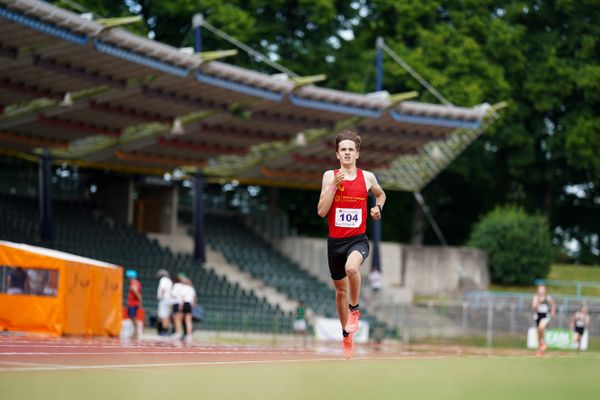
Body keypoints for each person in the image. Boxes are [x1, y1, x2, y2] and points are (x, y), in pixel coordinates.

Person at [316, 129, 386, 358]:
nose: (347, 153)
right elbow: (321, 211)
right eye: (343, 150)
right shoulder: (329, 175)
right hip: (335, 242)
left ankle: (354, 309)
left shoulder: (368, 177)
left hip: (358, 239)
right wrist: (333, 186)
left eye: (350, 150)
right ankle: (346, 334)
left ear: (357, 153)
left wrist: (377, 208)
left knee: (352, 268)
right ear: (337, 154)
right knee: (339, 292)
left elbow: (381, 195)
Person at [171, 273, 197, 343]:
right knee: (188, 320)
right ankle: (189, 335)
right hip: (189, 304)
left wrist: (181, 306)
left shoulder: (183, 288)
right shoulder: (191, 288)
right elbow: (194, 299)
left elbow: (182, 297)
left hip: (184, 303)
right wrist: (193, 305)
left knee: (179, 319)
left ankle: (179, 333)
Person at [531, 285, 555, 354]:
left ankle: (543, 343)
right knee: (538, 332)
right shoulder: (536, 298)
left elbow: (553, 304)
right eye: (540, 290)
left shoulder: (548, 297)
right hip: (538, 316)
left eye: (542, 290)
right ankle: (540, 350)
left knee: (541, 327)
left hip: (545, 316)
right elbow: (533, 308)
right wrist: (538, 301)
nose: (541, 292)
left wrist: (553, 311)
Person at [126, 269, 142, 339]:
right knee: (132, 317)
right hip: (132, 303)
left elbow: (135, 291)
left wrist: (139, 300)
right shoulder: (136, 282)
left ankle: (136, 333)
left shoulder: (134, 282)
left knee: (134, 317)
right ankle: (135, 333)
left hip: (133, 303)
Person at [156, 269, 173, 336]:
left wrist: (161, 297)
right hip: (168, 299)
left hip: (164, 299)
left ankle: (164, 330)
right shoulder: (170, 281)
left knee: (163, 315)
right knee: (166, 315)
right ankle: (166, 330)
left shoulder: (163, 280)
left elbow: (163, 289)